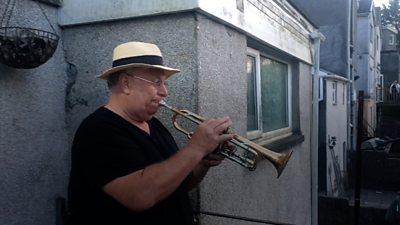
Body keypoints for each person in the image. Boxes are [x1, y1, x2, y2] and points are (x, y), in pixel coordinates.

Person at [67, 41, 235, 225]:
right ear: (126, 83)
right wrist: (196, 148)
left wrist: (202, 162)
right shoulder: (97, 130)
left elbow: (178, 184)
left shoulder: (155, 125)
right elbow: (140, 196)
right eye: (157, 82)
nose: (165, 92)